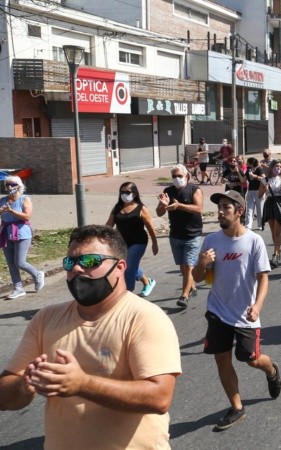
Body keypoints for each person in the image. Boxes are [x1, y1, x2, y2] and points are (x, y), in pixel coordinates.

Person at [0, 225, 181, 448]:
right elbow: (4, 393)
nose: (76, 268)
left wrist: (83, 383)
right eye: (70, 262)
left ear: (120, 267)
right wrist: (22, 387)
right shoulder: (46, 318)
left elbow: (160, 397)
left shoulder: (145, 318)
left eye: (90, 261)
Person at [192, 190, 281, 431]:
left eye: (225, 207)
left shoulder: (254, 241)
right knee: (222, 360)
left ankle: (271, 370)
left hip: (245, 314)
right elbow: (197, 278)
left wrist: (258, 305)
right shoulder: (211, 240)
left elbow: (263, 277)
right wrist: (202, 264)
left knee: (250, 359)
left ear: (239, 211)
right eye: (219, 207)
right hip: (217, 311)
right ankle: (236, 407)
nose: (220, 212)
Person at [156, 164, 203, 308]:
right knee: (183, 266)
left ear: (186, 176)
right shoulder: (168, 191)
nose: (176, 179)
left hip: (192, 234)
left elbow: (199, 209)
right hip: (175, 234)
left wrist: (179, 206)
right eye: (174, 176)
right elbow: (159, 213)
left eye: (179, 176)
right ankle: (192, 286)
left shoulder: (194, 189)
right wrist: (163, 205)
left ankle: (184, 295)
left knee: (189, 266)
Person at [105, 182, 158, 297]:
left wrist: (155, 243)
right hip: (122, 243)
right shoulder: (117, 207)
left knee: (128, 268)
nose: (124, 194)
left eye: (127, 192)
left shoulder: (141, 208)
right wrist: (100, 238)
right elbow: (109, 225)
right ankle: (147, 281)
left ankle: (127, 294)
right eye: (122, 192)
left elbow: (150, 227)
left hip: (138, 242)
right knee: (126, 264)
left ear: (134, 193)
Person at [0, 175, 44, 299]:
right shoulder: (3, 200)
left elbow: (27, 216)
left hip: (22, 233)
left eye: (13, 184)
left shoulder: (25, 199)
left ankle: (37, 275)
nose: (10, 187)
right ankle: (18, 288)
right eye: (7, 184)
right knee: (11, 264)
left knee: (19, 262)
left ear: (19, 186)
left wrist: (12, 211)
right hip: (6, 233)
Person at [259, 159, 281, 267]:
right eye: (276, 166)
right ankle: (277, 250)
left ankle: (276, 253)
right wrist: (264, 189)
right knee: (272, 231)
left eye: (280, 167)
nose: (278, 169)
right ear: (271, 168)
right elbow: (259, 195)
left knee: (277, 231)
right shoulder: (265, 179)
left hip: (279, 204)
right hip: (270, 203)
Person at [243, 157, 266, 230]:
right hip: (250, 191)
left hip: (258, 190)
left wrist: (255, 176)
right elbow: (243, 180)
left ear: (251, 163)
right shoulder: (248, 170)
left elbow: (264, 179)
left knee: (259, 208)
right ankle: (248, 225)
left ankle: (260, 224)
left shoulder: (258, 169)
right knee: (249, 208)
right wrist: (238, 172)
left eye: (248, 162)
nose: (246, 163)